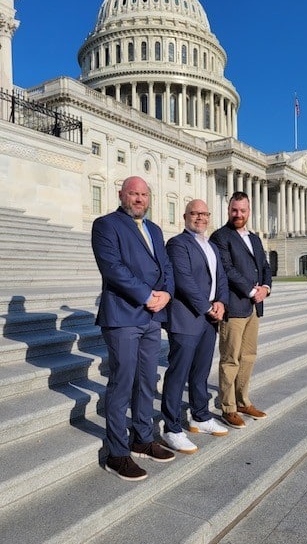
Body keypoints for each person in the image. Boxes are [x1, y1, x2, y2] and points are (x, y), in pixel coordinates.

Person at [91, 176, 175, 481]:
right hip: (123, 316)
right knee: (121, 383)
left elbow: (165, 266)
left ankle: (142, 438)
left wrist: (166, 293)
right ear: (121, 194)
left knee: (145, 382)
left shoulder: (154, 228)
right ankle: (117, 453)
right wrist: (146, 295)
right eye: (133, 193)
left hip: (152, 318)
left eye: (143, 194)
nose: (138, 199)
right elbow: (113, 268)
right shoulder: (106, 224)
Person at [161, 200, 229, 454]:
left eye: (204, 213)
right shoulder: (178, 243)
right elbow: (184, 280)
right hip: (187, 316)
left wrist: (221, 301)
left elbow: (220, 277)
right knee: (178, 373)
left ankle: (199, 416)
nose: (200, 218)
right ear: (185, 216)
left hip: (208, 318)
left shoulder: (211, 246)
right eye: (194, 213)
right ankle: (171, 427)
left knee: (200, 372)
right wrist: (208, 306)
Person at [210, 191, 272, 428]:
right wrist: (251, 290)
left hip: (254, 307)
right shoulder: (220, 236)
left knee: (248, 357)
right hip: (235, 306)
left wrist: (265, 287)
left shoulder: (255, 239)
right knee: (230, 359)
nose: (238, 214)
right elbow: (226, 269)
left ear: (249, 211)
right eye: (234, 210)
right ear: (228, 210)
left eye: (243, 210)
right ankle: (228, 407)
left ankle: (243, 400)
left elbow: (265, 266)